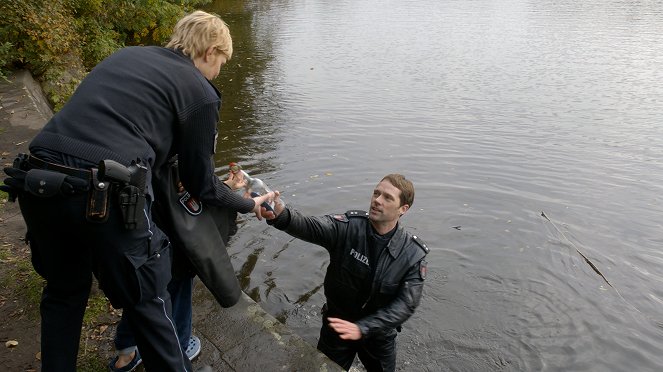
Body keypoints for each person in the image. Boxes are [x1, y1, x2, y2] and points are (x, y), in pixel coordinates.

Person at [2, 10, 274, 372]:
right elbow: (201, 183)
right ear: (210, 51)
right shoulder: (200, 91)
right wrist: (244, 201)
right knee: (149, 302)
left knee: (63, 293)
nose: (218, 71)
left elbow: (123, 126)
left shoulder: (127, 56)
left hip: (38, 178)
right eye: (222, 62)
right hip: (102, 193)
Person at [265, 174, 429, 372]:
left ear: (403, 209)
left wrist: (364, 328)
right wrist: (281, 214)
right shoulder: (348, 228)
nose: (377, 200)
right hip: (337, 326)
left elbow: (405, 305)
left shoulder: (412, 254)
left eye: (387, 197)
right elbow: (311, 226)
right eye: (376, 193)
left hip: (379, 336)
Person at [109, 166, 248, 371]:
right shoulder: (181, 142)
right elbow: (194, 186)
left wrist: (222, 185)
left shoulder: (139, 145)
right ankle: (181, 347)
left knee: (144, 291)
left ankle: (126, 352)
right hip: (171, 230)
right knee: (179, 287)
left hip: (142, 219)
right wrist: (246, 202)